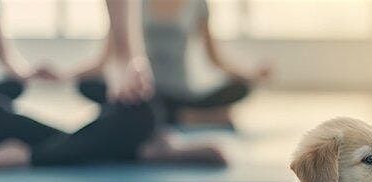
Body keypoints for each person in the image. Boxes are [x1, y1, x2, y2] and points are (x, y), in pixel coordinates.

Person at [0, 0, 226, 170]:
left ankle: (24, 157)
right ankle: (135, 150)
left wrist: (131, 63)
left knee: (136, 115)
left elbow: (125, 54)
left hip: (138, 102)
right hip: (122, 115)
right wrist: (64, 76)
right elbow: (109, 57)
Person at [72, 0, 270, 128]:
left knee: (240, 88)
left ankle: (172, 115)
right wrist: (65, 75)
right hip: (145, 90)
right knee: (88, 86)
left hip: (183, 93)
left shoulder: (198, 4)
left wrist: (251, 75)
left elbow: (215, 58)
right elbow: (108, 57)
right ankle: (191, 118)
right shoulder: (131, 4)